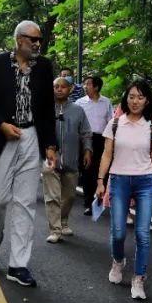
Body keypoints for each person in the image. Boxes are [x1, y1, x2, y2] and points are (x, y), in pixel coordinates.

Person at [0, 20, 58, 288]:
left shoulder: (44, 68)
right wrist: (1, 124)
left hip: (31, 136)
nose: (37, 44)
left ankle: (18, 265)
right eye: (32, 39)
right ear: (18, 39)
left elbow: (47, 109)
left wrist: (50, 145)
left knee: (25, 203)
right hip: (3, 137)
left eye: (39, 40)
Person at [95, 79, 152, 300]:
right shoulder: (115, 124)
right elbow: (107, 154)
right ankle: (118, 261)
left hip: (146, 182)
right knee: (118, 232)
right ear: (126, 99)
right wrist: (101, 181)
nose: (135, 101)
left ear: (147, 101)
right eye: (131, 96)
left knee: (142, 234)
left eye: (140, 97)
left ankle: (139, 278)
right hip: (119, 180)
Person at [44, 76, 92, 243]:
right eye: (56, 86)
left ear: (70, 89)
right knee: (52, 196)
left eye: (63, 86)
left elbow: (86, 132)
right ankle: (55, 229)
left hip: (72, 159)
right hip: (50, 160)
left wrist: (87, 149)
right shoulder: (45, 109)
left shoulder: (78, 110)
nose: (59, 89)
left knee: (69, 195)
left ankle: (64, 222)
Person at [76, 75, 113, 214]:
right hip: (85, 139)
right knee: (87, 170)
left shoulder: (106, 102)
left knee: (101, 170)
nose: (85, 86)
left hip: (102, 139)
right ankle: (87, 203)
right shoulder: (80, 103)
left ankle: (98, 198)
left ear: (96, 87)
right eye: (85, 84)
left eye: (88, 84)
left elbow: (111, 122)